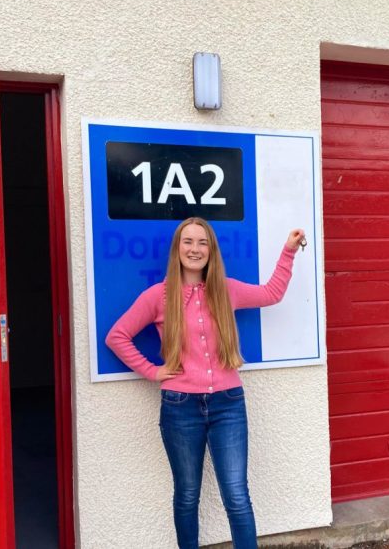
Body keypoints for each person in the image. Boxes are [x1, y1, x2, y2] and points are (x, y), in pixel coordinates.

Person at [106, 217, 305, 549]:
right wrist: (152, 371)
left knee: (237, 495)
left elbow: (271, 293)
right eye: (188, 242)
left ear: (211, 251)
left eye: (202, 243)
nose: (195, 249)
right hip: (180, 408)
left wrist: (288, 251)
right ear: (177, 248)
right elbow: (117, 336)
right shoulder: (158, 296)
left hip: (229, 404)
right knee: (186, 494)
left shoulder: (226, 290)